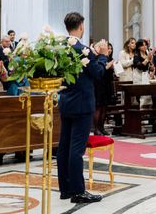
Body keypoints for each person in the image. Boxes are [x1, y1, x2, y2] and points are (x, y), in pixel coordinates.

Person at [57, 12, 107, 204]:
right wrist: (102, 56)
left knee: (64, 147)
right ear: (81, 26)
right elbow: (97, 73)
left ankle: (66, 189)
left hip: (66, 101)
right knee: (76, 149)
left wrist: (93, 52)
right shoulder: (82, 49)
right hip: (83, 103)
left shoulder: (60, 47)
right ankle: (78, 191)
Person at [93, 42, 115, 135]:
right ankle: (96, 128)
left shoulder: (109, 59)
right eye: (107, 48)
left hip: (107, 84)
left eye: (110, 48)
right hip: (99, 85)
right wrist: (108, 66)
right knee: (98, 107)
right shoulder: (97, 58)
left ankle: (102, 127)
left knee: (104, 108)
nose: (109, 50)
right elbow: (99, 71)